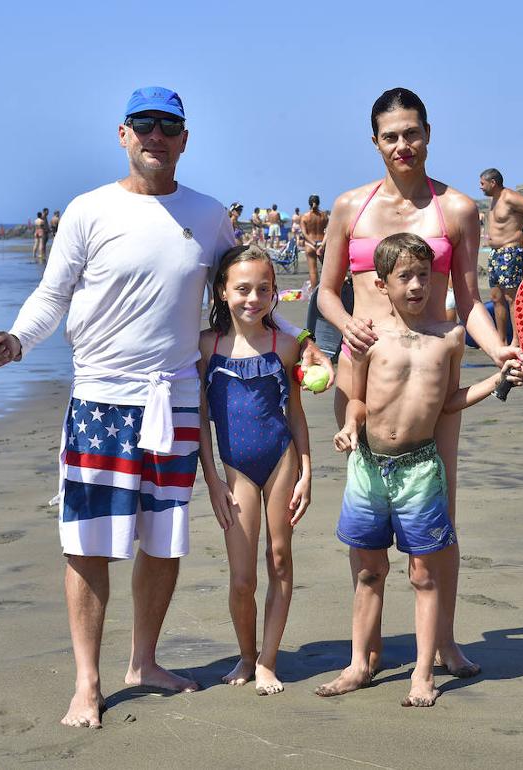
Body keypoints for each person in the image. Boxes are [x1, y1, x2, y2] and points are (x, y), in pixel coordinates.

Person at [0, 86, 331, 730]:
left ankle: (144, 661)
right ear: (123, 134)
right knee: (88, 546)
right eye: (144, 125)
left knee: (162, 542)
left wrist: (300, 348)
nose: (155, 137)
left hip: (178, 402)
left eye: (168, 126)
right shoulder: (88, 211)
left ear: (185, 139)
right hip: (102, 402)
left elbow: (245, 298)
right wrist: (18, 341)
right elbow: (52, 296)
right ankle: (87, 683)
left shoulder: (210, 215)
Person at [316, 88, 523, 696]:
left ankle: (442, 640)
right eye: (391, 135)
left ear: (428, 134)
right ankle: (366, 655)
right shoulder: (349, 206)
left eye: (411, 132)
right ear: (375, 142)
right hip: (365, 368)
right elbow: (327, 292)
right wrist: (344, 326)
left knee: (441, 514)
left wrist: (500, 353)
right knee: (368, 522)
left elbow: (466, 301)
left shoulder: (457, 209)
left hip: (432, 371)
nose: (402, 145)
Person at [326, 233, 523, 707]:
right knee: (369, 571)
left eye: (425, 275)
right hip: (369, 468)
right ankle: (358, 663)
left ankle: (422, 674)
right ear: (382, 283)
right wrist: (351, 428)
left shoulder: (451, 338)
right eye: (405, 277)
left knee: (423, 575)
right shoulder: (368, 336)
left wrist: (499, 378)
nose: (417, 285)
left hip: (419, 470)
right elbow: (355, 398)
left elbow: (450, 402)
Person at [198, 245, 311, 696]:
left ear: (274, 294)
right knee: (242, 577)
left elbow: (297, 414)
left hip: (280, 460)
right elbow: (200, 419)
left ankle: (268, 659)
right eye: (242, 288)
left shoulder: (284, 345)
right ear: (223, 292)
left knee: (280, 559)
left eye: (264, 289)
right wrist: (211, 480)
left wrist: (307, 470)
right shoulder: (207, 346)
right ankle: (246, 655)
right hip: (235, 472)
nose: (253, 298)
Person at [478, 169, 523, 344]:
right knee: (496, 297)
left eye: (482, 183)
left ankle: (517, 339)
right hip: (495, 253)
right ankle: (501, 340)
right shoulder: (493, 200)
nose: (480, 187)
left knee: (512, 298)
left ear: (493, 183)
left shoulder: (509, 197)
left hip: (510, 251)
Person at [299, 194, 329, 290]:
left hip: (310, 244)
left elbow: (304, 233)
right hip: (322, 244)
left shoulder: (305, 217)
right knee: (326, 269)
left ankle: (314, 293)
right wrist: (322, 244)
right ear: (319, 202)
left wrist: (312, 243)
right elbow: (328, 231)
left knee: (313, 271)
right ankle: (327, 290)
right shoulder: (324, 216)